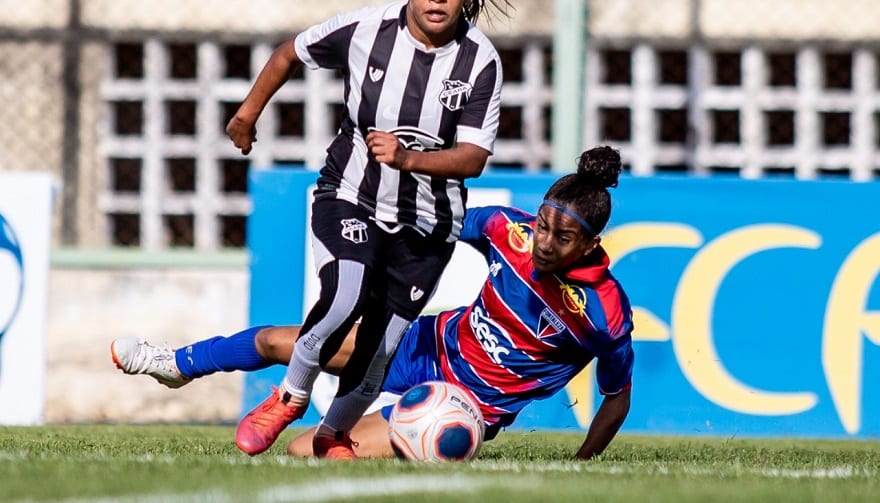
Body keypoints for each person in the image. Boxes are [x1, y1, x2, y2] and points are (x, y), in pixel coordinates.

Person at [218, 0, 520, 460]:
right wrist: (246, 113)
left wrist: (408, 160)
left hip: (429, 222)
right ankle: (289, 396)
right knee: (345, 293)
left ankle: (332, 435)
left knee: (381, 349)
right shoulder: (365, 31)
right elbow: (289, 53)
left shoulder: (480, 61)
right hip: (351, 193)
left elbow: (474, 157)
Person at [112, 146, 634, 460]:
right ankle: (175, 365)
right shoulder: (509, 229)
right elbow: (440, 223)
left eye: (562, 238)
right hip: (422, 344)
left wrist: (582, 460)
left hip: (465, 405)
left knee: (308, 452)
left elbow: (616, 396)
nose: (544, 242)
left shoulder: (603, 313)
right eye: (543, 226)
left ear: (590, 245)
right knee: (278, 340)